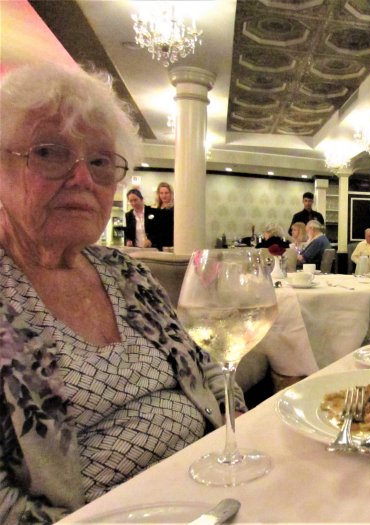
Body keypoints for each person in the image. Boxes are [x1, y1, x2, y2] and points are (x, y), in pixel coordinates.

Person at [0, 63, 239, 523]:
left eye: (100, 161)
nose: (83, 179)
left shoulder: (126, 272)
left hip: (213, 493)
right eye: (50, 152)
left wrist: (240, 443)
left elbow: (205, 364)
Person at [154, 181, 174, 249]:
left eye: (166, 193)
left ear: (170, 194)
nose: (164, 195)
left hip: (170, 242)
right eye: (161, 193)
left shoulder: (174, 208)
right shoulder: (157, 208)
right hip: (158, 243)